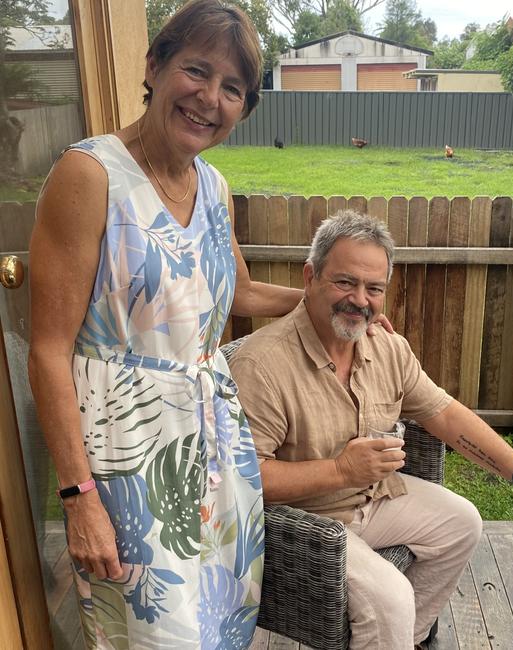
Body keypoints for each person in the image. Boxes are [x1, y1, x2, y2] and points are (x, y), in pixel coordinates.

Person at [28, 2, 305, 647]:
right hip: (127, 456)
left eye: (232, 88)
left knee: (217, 626)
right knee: (154, 635)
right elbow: (47, 350)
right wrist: (78, 497)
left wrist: (320, 301)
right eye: (197, 71)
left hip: (212, 452)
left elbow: (230, 291)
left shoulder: (214, 187)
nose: (210, 99)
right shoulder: (90, 176)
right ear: (154, 65)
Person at [229, 210, 513, 650]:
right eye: (345, 282)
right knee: (392, 596)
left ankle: (401, 641)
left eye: (374, 289)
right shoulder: (261, 365)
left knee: (462, 522)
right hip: (304, 522)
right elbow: (243, 482)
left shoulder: (386, 348)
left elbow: (445, 415)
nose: (360, 301)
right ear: (310, 277)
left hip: (374, 500)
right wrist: (341, 471)